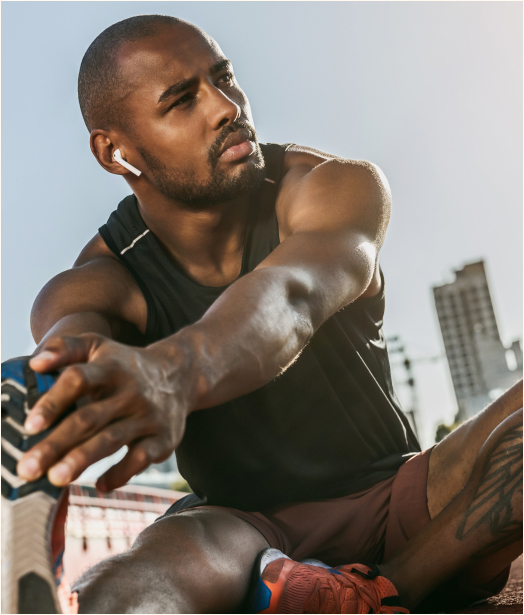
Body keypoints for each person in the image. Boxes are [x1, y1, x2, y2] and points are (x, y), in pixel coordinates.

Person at [1, 14, 522, 615]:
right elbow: (72, 346)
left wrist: (171, 372)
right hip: (241, 531)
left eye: (223, 77)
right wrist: (53, 404)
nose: (226, 107)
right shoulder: (100, 279)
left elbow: (292, 296)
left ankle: (385, 587)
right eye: (181, 101)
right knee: (125, 592)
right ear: (115, 151)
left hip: (408, 497)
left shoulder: (331, 188)